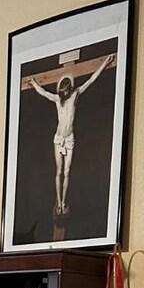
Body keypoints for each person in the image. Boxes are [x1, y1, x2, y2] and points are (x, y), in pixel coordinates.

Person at [29, 53, 115, 221]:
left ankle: (63, 203)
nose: (66, 92)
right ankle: (58, 200)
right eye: (65, 90)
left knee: (67, 171)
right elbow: (43, 92)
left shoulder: (75, 95)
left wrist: (105, 62)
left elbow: (91, 80)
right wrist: (33, 83)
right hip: (59, 138)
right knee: (59, 170)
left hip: (69, 138)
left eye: (67, 89)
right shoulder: (57, 99)